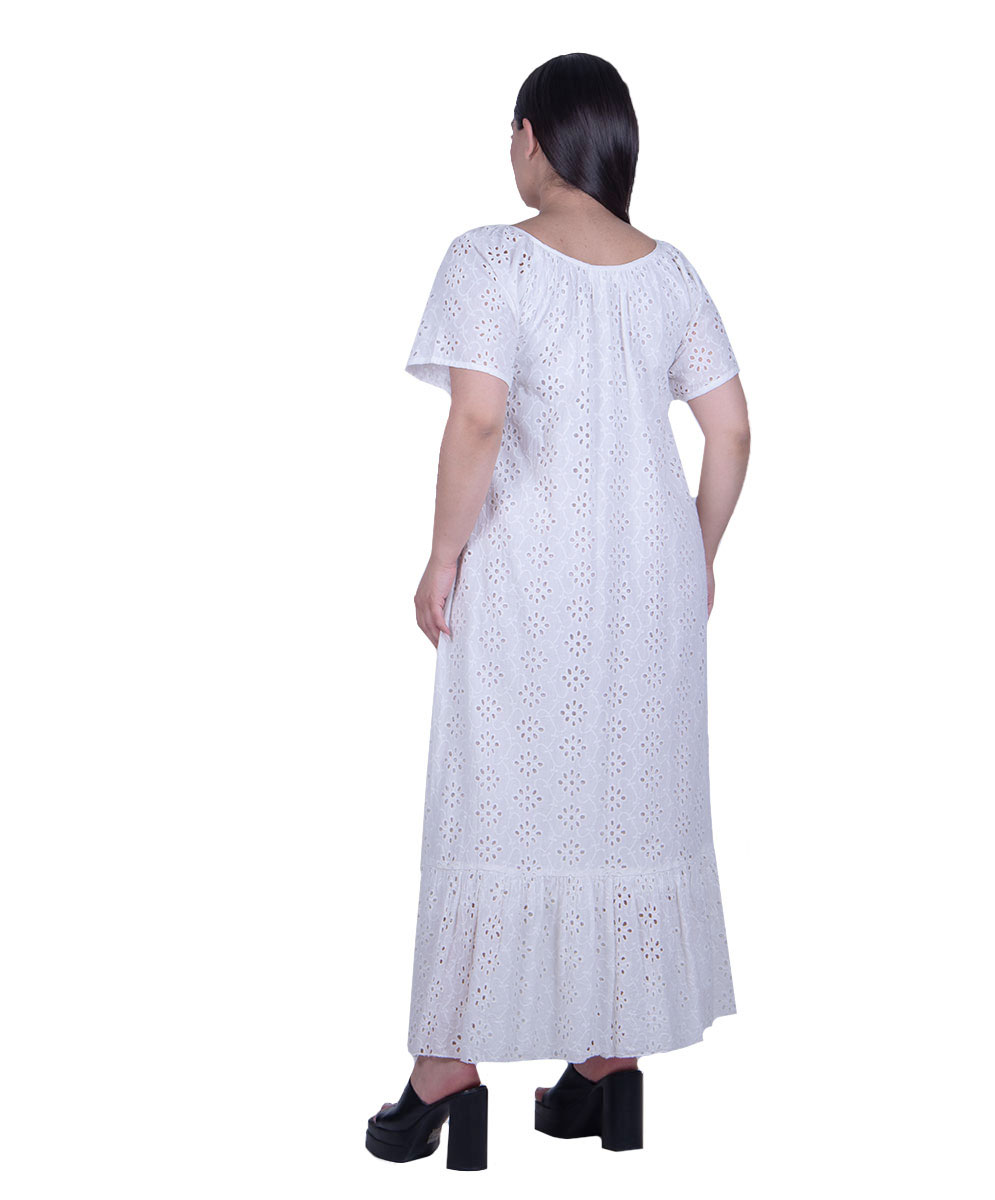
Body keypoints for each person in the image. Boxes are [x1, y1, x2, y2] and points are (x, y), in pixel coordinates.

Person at [365, 52, 751, 1171]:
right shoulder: (671, 273)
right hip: (653, 582)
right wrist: (698, 553)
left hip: (528, 574)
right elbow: (731, 431)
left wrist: (443, 555)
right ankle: (606, 1063)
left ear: (532, 136)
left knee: (493, 798)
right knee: (629, 799)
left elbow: (478, 420)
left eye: (512, 133)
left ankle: (447, 1069)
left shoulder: (491, 258)